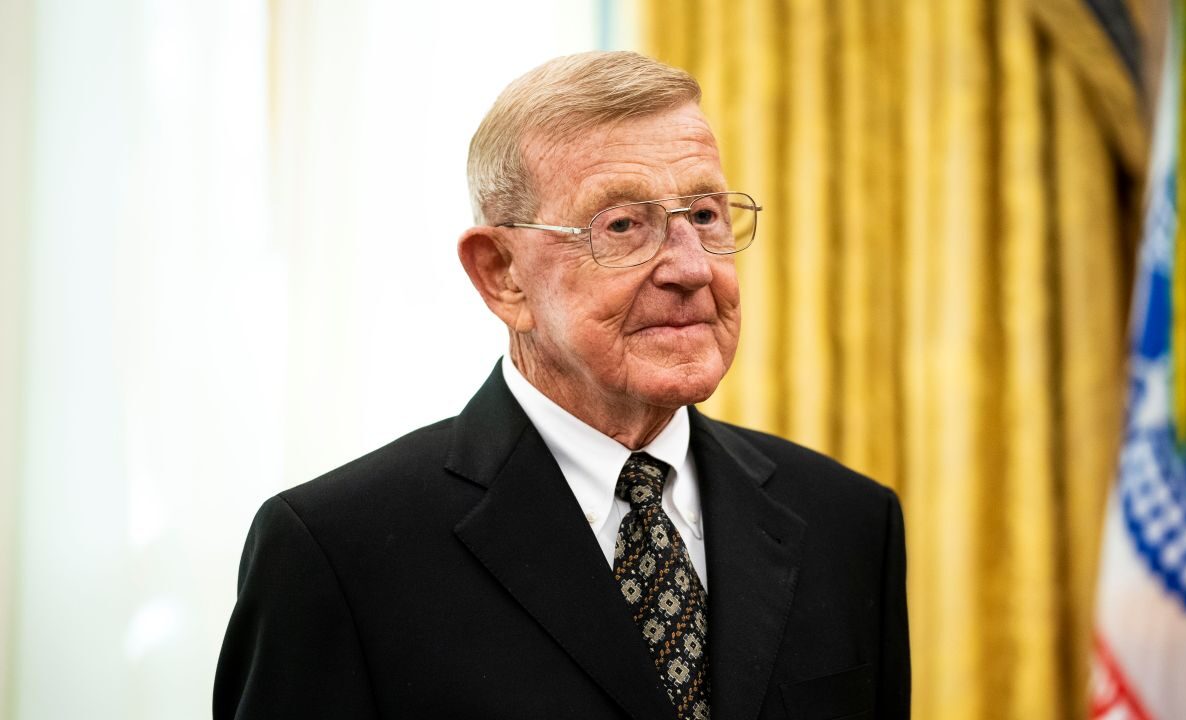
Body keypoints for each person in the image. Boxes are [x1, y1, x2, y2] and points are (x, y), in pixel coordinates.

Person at [213, 50, 909, 720]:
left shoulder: (848, 522)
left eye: (705, 216)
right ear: (501, 274)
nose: (692, 268)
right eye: (624, 225)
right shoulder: (335, 552)